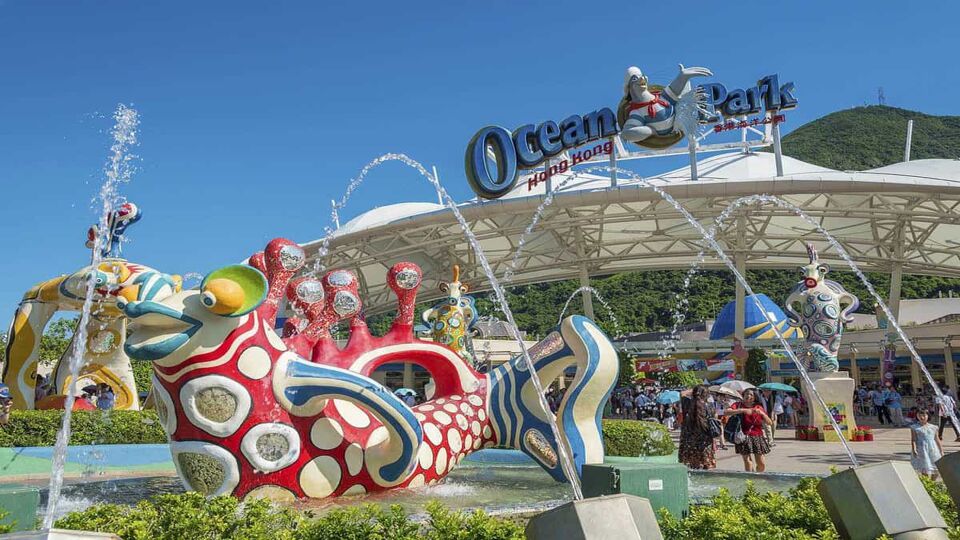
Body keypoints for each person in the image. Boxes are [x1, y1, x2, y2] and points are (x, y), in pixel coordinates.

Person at [725, 388, 773, 472]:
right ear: (743, 395)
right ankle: (750, 479)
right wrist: (742, 410)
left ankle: (758, 476)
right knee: (747, 461)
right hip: (742, 436)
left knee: (761, 463)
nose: (748, 396)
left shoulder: (758, 407)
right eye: (747, 394)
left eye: (751, 394)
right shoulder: (738, 405)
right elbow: (726, 412)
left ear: (755, 397)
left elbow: (769, 422)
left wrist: (761, 413)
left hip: (757, 436)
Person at [679, 385, 716, 470]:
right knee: (706, 464)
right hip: (705, 439)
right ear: (706, 395)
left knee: (692, 466)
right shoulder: (710, 406)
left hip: (688, 439)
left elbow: (682, 393)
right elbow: (713, 422)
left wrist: (695, 390)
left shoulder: (687, 403)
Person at [910, 410, 944, 479]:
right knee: (924, 466)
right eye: (919, 415)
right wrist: (914, 449)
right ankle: (926, 483)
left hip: (933, 449)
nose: (922, 417)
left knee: (936, 468)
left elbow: (937, 440)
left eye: (924, 415)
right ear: (917, 416)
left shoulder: (934, 427)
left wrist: (941, 450)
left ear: (928, 416)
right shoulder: (914, 427)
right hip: (922, 449)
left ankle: (932, 482)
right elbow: (913, 439)